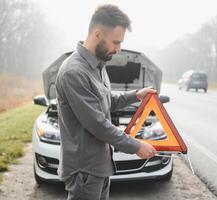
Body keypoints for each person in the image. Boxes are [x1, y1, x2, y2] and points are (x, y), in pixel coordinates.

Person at [55, 4, 157, 200]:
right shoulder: (74, 72)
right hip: (84, 171)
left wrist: (136, 95)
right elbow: (97, 124)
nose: (118, 49)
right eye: (116, 42)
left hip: (99, 167)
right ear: (97, 34)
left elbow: (106, 101)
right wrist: (135, 146)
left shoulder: (98, 65)